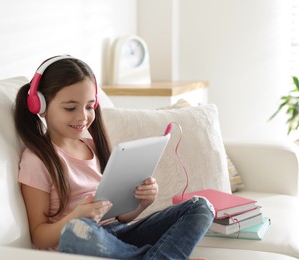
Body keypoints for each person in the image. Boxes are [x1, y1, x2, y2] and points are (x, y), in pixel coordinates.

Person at [14, 55, 215, 259]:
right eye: (70, 108)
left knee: (200, 206)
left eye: (90, 106)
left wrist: (141, 203)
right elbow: (39, 236)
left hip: (117, 237)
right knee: (79, 229)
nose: (83, 116)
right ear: (40, 106)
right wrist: (75, 217)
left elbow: (121, 216)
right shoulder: (37, 159)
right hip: (82, 240)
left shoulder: (93, 146)